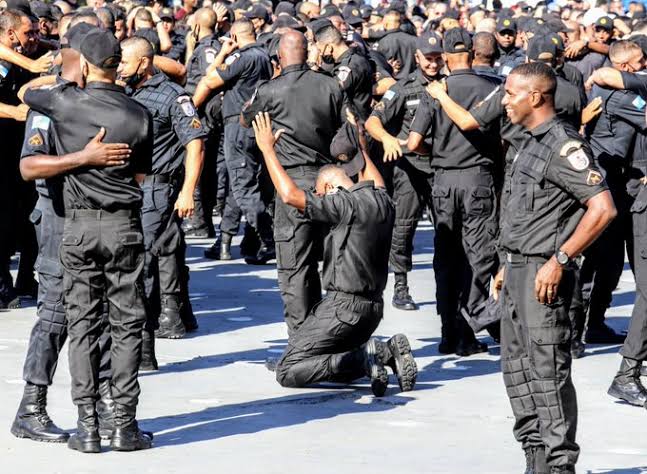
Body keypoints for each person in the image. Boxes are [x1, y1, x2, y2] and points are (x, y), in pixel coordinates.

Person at [21, 27, 153, 453]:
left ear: (82, 64)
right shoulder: (138, 112)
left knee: (83, 324)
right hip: (108, 224)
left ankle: (91, 425)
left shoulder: (63, 102)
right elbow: (140, 174)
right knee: (120, 325)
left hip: (80, 225)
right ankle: (119, 423)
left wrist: (61, 76)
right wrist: (91, 159)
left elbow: (27, 92)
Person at [495, 62, 616, 474]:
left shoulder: (564, 146)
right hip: (515, 272)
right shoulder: (524, 141)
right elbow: (515, 212)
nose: (504, 101)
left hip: (543, 278)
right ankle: (536, 459)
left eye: (511, 93)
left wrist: (561, 259)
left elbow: (602, 208)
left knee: (547, 373)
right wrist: (502, 264)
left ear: (535, 96)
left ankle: (561, 464)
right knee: (517, 372)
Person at [252, 110, 416, 397]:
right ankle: (384, 352)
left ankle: (362, 359)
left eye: (319, 193)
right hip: (372, 311)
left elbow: (291, 195)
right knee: (326, 362)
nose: (318, 198)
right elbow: (374, 178)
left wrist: (267, 150)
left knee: (288, 369)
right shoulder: (382, 200)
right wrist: (360, 143)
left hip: (343, 309)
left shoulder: (343, 205)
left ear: (329, 188)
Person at [11, 22, 122, 444]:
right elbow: (29, 166)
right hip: (57, 218)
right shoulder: (50, 103)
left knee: (107, 315)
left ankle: (109, 407)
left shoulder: (101, 98)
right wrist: (85, 157)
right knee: (56, 314)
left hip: (96, 221)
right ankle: (31, 407)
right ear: (73, 56)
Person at [240, 30, 345, 334]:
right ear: (306, 52)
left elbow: (247, 119)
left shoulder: (269, 90)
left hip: (289, 180)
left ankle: (301, 344)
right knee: (332, 263)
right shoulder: (330, 85)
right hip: (327, 181)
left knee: (295, 267)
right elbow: (346, 128)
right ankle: (332, 335)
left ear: (280, 57)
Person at [408, 28, 501, 357]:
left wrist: (438, 155)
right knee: (478, 257)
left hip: (444, 180)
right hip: (479, 178)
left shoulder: (436, 90)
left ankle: (449, 332)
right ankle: (468, 329)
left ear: (445, 56)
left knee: (447, 258)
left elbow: (414, 143)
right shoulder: (493, 87)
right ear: (474, 54)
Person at [118, 38, 206, 364]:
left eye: (125, 63)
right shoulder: (125, 92)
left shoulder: (173, 96)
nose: (120, 68)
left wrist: (187, 191)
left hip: (157, 190)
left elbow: (195, 143)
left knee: (143, 265)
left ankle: (142, 348)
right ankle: (139, 346)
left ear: (143, 63)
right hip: (128, 189)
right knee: (135, 265)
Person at [365, 31, 444, 312]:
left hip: (440, 167)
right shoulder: (403, 88)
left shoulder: (450, 86)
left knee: (446, 230)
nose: (433, 64)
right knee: (403, 228)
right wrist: (386, 138)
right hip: (409, 168)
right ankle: (400, 286)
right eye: (428, 59)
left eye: (437, 58)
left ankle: (447, 289)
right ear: (418, 57)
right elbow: (373, 121)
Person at [193, 18, 275, 265]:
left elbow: (209, 79)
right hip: (257, 124)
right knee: (242, 185)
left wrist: (223, 53)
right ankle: (233, 241)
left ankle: (271, 240)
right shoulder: (264, 56)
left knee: (242, 187)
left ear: (236, 37)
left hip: (237, 126)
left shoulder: (242, 57)